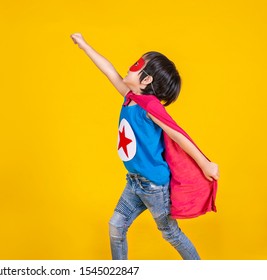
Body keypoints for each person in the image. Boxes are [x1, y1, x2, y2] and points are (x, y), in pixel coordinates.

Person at [70, 33, 220, 260]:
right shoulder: (130, 97)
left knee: (170, 233)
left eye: (138, 65)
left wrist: (205, 164)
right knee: (116, 226)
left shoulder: (150, 105)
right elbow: (109, 71)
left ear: (147, 79)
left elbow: (177, 134)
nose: (131, 66)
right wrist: (84, 45)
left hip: (153, 186)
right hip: (134, 181)